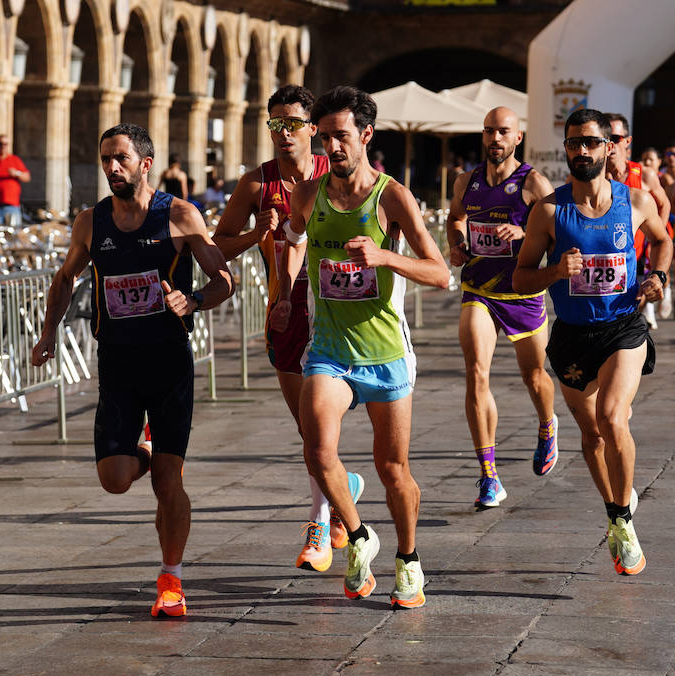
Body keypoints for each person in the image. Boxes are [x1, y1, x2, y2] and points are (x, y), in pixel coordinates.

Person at [30, 123, 232, 619]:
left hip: (168, 361)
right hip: (117, 361)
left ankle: (172, 579)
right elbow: (63, 279)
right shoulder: (91, 222)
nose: (111, 168)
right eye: (105, 159)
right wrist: (48, 332)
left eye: (120, 158)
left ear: (145, 164)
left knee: (168, 481)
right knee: (115, 480)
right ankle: (140, 449)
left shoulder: (179, 216)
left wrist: (195, 300)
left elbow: (225, 279)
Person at [270, 85, 450, 609]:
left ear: (366, 136)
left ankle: (409, 560)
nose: (331, 148)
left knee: (393, 470)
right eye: (323, 137)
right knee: (318, 450)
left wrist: (385, 258)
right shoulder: (308, 194)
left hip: (387, 354)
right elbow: (293, 239)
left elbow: (440, 274)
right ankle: (359, 534)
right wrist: (285, 290)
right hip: (329, 349)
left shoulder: (391, 196)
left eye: (341, 137)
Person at [213, 85, 365, 573]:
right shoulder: (256, 185)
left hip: (334, 308)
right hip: (283, 310)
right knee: (309, 433)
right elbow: (217, 248)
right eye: (275, 124)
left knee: (321, 435)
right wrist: (256, 236)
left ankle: (319, 525)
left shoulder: (333, 174)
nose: (284, 134)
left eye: (293, 124)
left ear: (311, 129)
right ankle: (345, 492)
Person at [513, 108, 671, 577]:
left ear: (608, 147)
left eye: (590, 143)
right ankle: (614, 508)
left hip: (623, 327)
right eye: (573, 143)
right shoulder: (548, 211)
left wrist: (658, 276)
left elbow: (664, 241)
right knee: (592, 435)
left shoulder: (636, 202)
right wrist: (555, 272)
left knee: (611, 416)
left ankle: (623, 520)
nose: (581, 151)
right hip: (572, 336)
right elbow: (521, 278)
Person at [445, 106, 557, 509]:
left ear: (518, 138)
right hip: (479, 289)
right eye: (490, 131)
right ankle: (488, 475)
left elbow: (558, 233)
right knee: (476, 374)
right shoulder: (466, 181)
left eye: (503, 132)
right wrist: (456, 244)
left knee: (534, 376)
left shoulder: (534, 183)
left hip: (522, 294)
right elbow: (455, 218)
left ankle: (547, 425)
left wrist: (526, 231)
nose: (495, 139)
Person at [604, 115, 670, 331]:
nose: (611, 143)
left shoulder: (644, 174)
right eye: (605, 137)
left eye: (616, 137)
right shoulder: (594, 176)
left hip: (640, 248)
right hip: (609, 252)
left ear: (628, 141)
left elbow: (664, 204)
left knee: (635, 300)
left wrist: (656, 232)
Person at [0, 134, 31, 226]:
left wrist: (17, 173)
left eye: (5, 144)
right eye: (0, 143)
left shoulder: (14, 159)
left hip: (12, 205)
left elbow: (27, 177)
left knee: (12, 234)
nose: (3, 146)